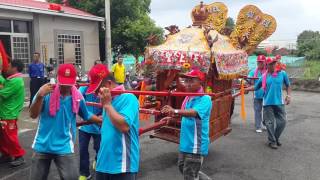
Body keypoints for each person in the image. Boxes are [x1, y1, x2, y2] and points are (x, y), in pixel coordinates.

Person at [29, 64, 102, 180]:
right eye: (63, 83)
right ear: (58, 79)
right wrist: (39, 96)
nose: (65, 87)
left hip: (64, 145)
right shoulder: (45, 92)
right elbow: (33, 115)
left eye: (69, 84)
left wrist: (100, 120)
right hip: (42, 144)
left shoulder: (77, 96)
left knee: (72, 177)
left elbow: (86, 114)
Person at [161, 69, 212, 180]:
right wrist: (171, 117)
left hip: (196, 145)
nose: (187, 84)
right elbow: (183, 114)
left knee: (189, 174)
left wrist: (174, 110)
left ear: (201, 82)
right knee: (184, 168)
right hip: (186, 143)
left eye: (191, 81)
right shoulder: (188, 97)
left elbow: (194, 113)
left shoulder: (205, 98)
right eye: (186, 80)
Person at [94, 71, 140, 180]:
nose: (96, 95)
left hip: (122, 166)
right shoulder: (108, 100)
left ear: (109, 84)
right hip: (103, 163)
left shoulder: (129, 98)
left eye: (98, 90)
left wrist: (108, 105)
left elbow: (124, 126)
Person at [246, 57, 291, 149]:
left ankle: (275, 138)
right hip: (267, 103)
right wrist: (245, 89)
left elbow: (288, 85)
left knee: (282, 122)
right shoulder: (263, 77)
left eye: (274, 63)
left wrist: (288, 95)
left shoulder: (282, 74)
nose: (273, 65)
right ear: (267, 65)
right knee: (269, 123)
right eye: (271, 64)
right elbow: (256, 87)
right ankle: (272, 141)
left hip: (279, 102)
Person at [78, 64, 107, 180]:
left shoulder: (104, 90)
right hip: (85, 125)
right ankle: (84, 173)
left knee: (99, 147)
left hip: (98, 124)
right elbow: (77, 97)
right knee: (83, 150)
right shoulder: (85, 88)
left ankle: (97, 159)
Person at [0, 60, 26, 167]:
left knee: (10, 136)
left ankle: (19, 156)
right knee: (2, 136)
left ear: (15, 68)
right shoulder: (12, 80)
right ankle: (6, 154)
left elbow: (3, 93)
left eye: (9, 66)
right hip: (4, 112)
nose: (7, 68)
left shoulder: (16, 81)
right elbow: (4, 82)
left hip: (9, 114)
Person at [248, 55, 266, 133]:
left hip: (266, 95)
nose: (260, 63)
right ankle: (258, 126)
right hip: (257, 95)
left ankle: (265, 124)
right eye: (258, 62)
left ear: (265, 63)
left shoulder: (268, 71)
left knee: (267, 111)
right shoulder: (253, 71)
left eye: (261, 62)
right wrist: (247, 82)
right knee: (257, 111)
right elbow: (248, 79)